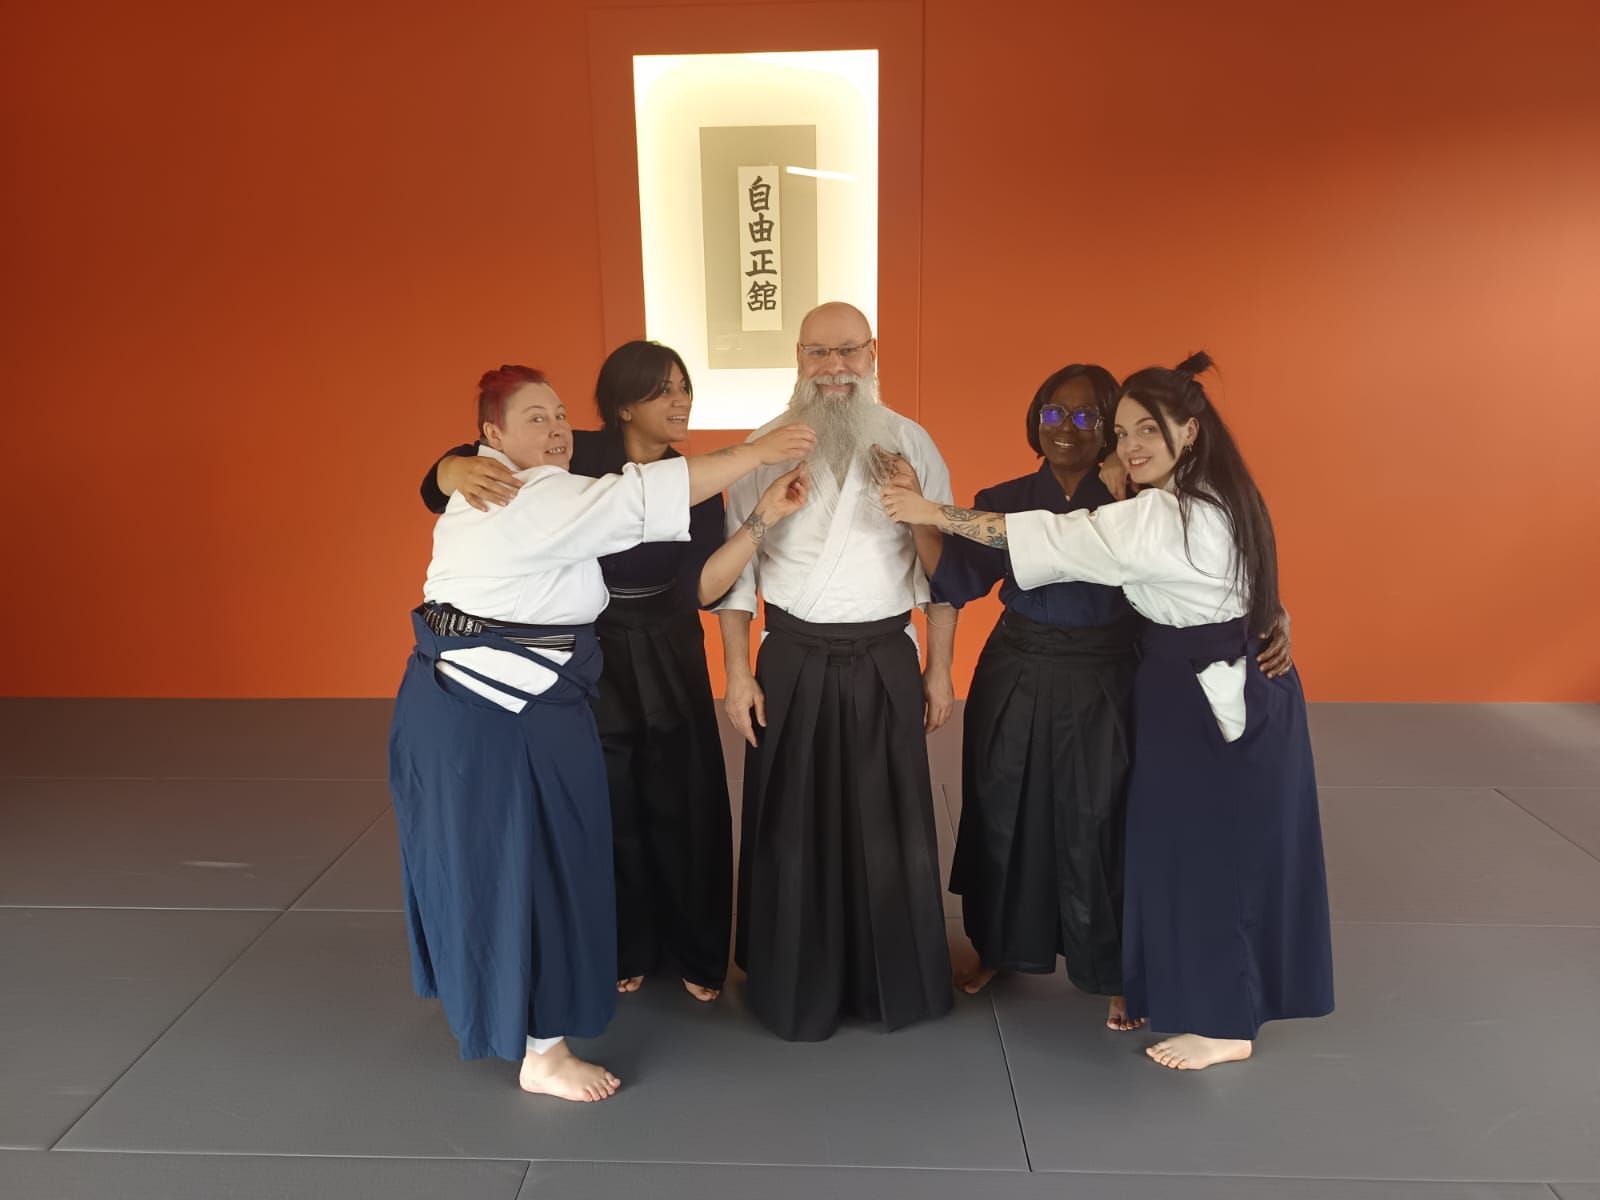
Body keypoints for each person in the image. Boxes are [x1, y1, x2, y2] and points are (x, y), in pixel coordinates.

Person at [881, 352, 1333, 1070]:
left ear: (1190, 430)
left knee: (1161, 839)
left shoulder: (1149, 510)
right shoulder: (1205, 491)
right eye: (1123, 431)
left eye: (1139, 428)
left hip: (1159, 682)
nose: (1126, 443)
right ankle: (1023, 948)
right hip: (1115, 675)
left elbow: (1061, 541)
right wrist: (1267, 616)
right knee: (1022, 814)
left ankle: (1194, 1005)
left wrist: (930, 510)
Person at [391, 364, 812, 1101]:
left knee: (494, 863)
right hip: (500, 713)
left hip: (476, 700)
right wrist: (759, 451)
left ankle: (505, 1008)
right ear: (491, 436)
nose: (556, 429)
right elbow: (639, 497)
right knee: (537, 867)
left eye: (559, 415)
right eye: (535, 418)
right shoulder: (532, 489)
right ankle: (542, 1052)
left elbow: (683, 553)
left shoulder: (519, 474)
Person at [718, 301, 959, 1042]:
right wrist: (737, 673)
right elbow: (736, 580)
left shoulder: (911, 442)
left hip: (886, 653)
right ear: (798, 358)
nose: (834, 368)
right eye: (818, 353)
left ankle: (892, 983)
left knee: (889, 824)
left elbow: (945, 573)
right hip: (792, 655)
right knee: (793, 823)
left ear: (872, 353)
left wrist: (940, 668)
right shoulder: (763, 448)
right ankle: (796, 981)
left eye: (848, 351)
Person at [895, 363, 1145, 1029]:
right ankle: (997, 947)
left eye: (1086, 416)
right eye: (1053, 414)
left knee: (1101, 817)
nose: (1067, 428)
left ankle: (1115, 970)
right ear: (1036, 421)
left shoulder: (1134, 500)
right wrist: (917, 514)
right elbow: (956, 579)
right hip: (1018, 666)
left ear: (1110, 429)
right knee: (1003, 806)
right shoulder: (1004, 497)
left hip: (1104, 674)